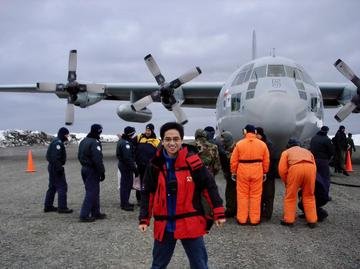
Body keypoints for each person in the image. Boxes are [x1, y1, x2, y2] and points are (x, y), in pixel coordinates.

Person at [138, 122, 226, 269]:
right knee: (158, 265)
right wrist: (144, 218)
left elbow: (209, 187)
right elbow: (148, 193)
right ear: (162, 140)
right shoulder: (154, 165)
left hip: (190, 223)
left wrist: (218, 212)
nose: (172, 143)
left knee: (199, 264)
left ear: (181, 140)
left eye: (176, 139)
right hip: (165, 225)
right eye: (167, 139)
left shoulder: (194, 162)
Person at [230, 124, 269, 225]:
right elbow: (266, 160)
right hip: (257, 170)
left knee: (242, 195)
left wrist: (233, 172)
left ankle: (242, 219)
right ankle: (254, 219)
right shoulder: (262, 144)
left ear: (245, 132)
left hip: (242, 171)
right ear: (255, 132)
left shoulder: (239, 144)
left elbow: (233, 160)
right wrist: (265, 172)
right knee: (255, 196)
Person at [278, 139, 317, 228]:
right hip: (310, 169)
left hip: (295, 169)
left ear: (288, 145)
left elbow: (282, 170)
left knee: (290, 196)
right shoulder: (307, 151)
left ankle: (289, 220)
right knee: (309, 196)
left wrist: (287, 182)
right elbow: (314, 166)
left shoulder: (286, 152)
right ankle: (312, 220)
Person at [303, 126, 333, 221]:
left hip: (313, 161)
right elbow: (331, 151)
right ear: (327, 131)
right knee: (325, 180)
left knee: (313, 180)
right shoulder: (327, 139)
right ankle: (324, 196)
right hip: (323, 162)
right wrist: (328, 159)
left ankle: (310, 198)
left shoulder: (314, 138)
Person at [78, 124, 106, 222]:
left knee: (94, 191)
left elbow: (79, 155)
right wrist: (102, 171)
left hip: (84, 168)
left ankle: (96, 212)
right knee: (91, 192)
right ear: (98, 131)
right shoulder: (95, 143)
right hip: (92, 170)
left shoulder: (83, 141)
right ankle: (84, 215)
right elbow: (97, 159)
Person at [44, 127, 73, 214]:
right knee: (62, 187)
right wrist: (59, 168)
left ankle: (48, 206)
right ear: (64, 134)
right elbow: (54, 157)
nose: (68, 136)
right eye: (67, 134)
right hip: (56, 167)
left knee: (52, 187)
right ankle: (62, 207)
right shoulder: (58, 143)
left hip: (52, 166)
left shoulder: (55, 141)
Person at [133, 123, 160, 205]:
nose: (147, 132)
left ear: (152, 131)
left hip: (149, 166)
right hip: (140, 165)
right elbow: (131, 145)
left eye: (149, 130)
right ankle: (139, 200)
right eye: (146, 130)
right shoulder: (139, 137)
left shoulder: (157, 141)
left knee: (148, 182)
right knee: (139, 183)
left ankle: (148, 199)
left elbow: (159, 154)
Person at [256, 127, 276, 221]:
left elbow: (271, 159)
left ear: (260, 134)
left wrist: (267, 172)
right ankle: (260, 213)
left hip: (268, 174)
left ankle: (267, 214)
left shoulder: (267, 144)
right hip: (261, 173)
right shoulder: (268, 143)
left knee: (268, 195)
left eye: (256, 134)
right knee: (260, 194)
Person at [116, 126, 138, 211]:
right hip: (126, 167)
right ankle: (124, 204)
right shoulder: (126, 144)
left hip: (123, 165)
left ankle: (125, 202)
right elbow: (127, 158)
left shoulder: (121, 141)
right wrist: (134, 169)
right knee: (126, 185)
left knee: (125, 184)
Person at [217, 131, 236, 218]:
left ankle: (231, 210)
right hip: (230, 174)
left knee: (231, 192)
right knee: (230, 192)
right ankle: (232, 209)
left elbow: (231, 159)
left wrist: (223, 153)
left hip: (234, 174)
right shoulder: (227, 148)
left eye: (223, 138)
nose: (221, 140)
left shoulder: (234, 148)